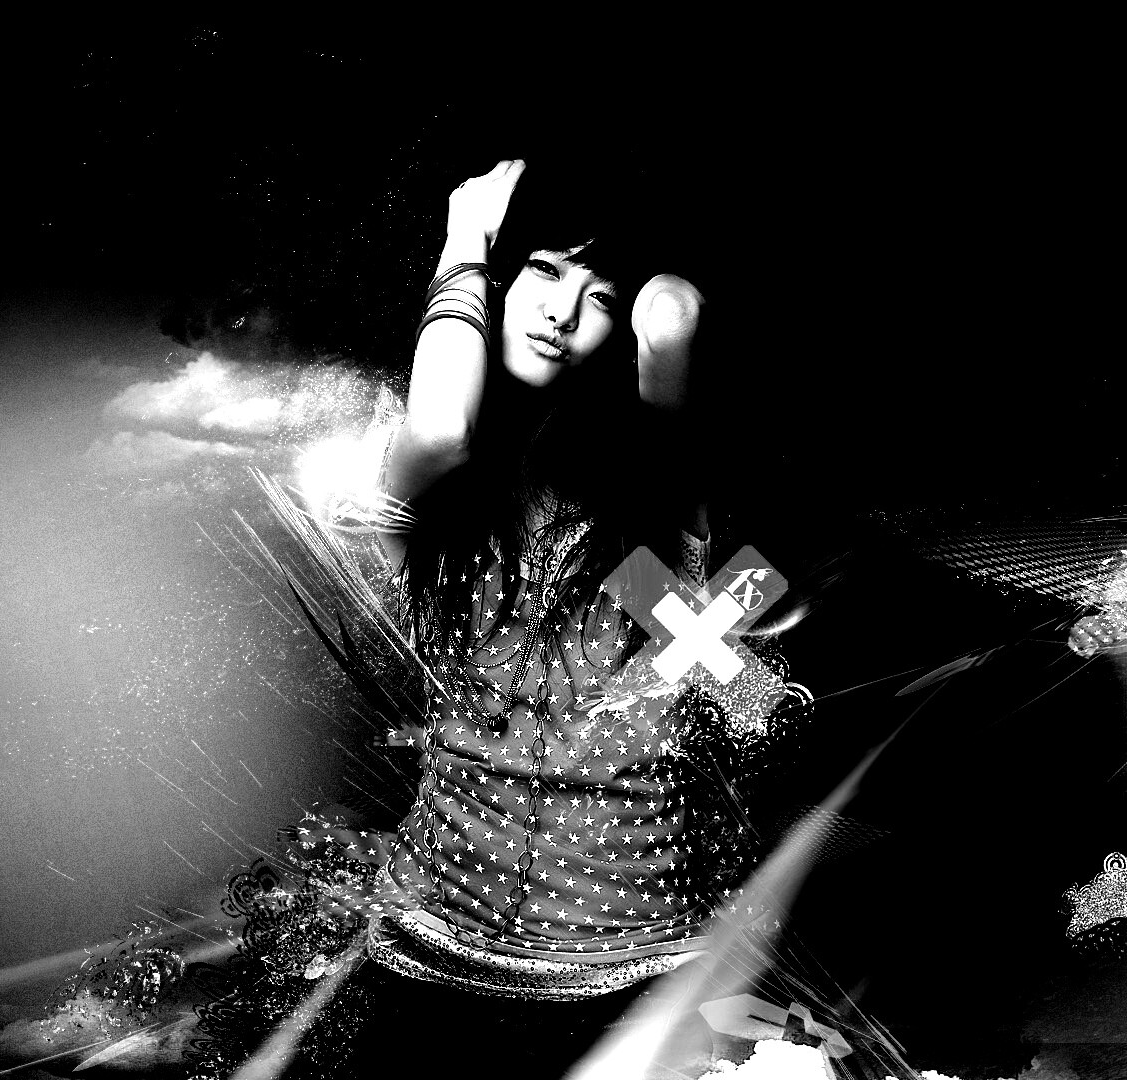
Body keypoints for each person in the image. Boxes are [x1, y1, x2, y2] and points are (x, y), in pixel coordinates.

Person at [186, 159, 811, 1079]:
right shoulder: (425, 487)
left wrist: (668, 345)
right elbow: (445, 431)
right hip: (440, 939)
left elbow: (735, 660)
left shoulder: (639, 517)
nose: (561, 311)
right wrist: (465, 242)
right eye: (545, 270)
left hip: (637, 954)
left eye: (600, 298)